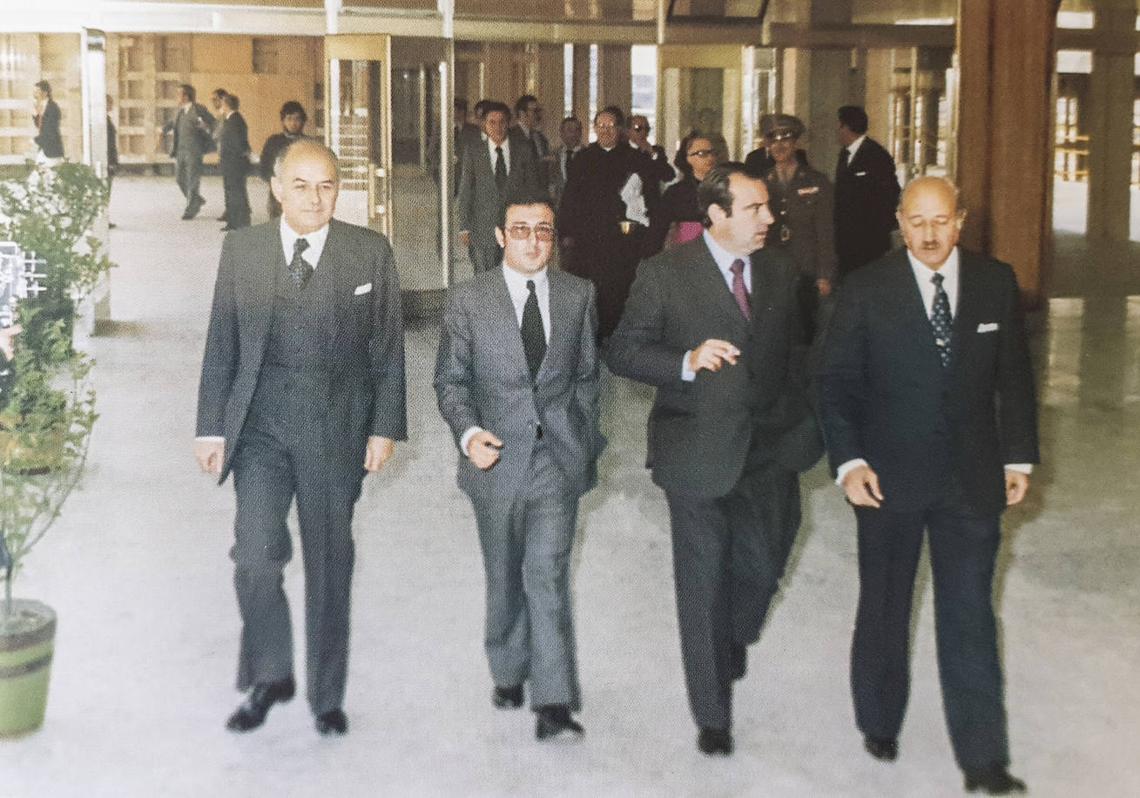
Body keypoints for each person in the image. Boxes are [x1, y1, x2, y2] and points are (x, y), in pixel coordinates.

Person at [817, 176, 1038, 795]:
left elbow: (1015, 379)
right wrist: (850, 461)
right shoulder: (867, 289)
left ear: (961, 220)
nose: (929, 233)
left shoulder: (995, 282)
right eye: (917, 221)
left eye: (941, 220)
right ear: (899, 221)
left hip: (972, 479)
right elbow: (834, 384)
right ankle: (880, 721)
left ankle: (983, 760)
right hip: (886, 479)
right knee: (885, 605)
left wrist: (1018, 457)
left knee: (969, 613)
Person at [194, 139, 407, 737]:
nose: (316, 198)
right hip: (259, 428)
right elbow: (223, 341)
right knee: (256, 558)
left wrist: (384, 427)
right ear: (278, 188)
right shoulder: (243, 249)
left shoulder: (368, 252)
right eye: (304, 185)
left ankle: (326, 695)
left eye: (329, 186)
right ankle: (270, 673)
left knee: (330, 561)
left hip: (335, 429)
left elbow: (387, 349)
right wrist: (211, 425)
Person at [606, 163, 820, 757]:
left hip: (771, 448)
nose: (770, 219)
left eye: (768, 207)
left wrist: (807, 425)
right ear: (717, 216)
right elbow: (622, 351)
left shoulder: (780, 271)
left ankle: (732, 638)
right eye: (755, 209)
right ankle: (712, 714)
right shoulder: (665, 274)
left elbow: (799, 352)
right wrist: (685, 359)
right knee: (702, 583)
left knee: (764, 566)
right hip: (696, 449)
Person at [434, 193, 603, 743]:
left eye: (545, 231)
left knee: (547, 576)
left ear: (555, 239)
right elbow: (450, 382)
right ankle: (507, 668)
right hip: (495, 459)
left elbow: (584, 376)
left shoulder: (579, 295)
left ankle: (553, 702)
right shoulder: (468, 300)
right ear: (501, 237)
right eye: (522, 230)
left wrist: (581, 437)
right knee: (504, 574)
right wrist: (468, 434)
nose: (534, 241)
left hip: (555, 457)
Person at [557, 107, 650, 341]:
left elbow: (644, 198)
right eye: (601, 126)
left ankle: (615, 334)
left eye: (610, 126)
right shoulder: (583, 158)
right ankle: (592, 335)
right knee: (590, 287)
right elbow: (570, 197)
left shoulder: (634, 158)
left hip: (621, 236)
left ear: (619, 129)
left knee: (619, 286)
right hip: (588, 237)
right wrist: (566, 231)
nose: (605, 131)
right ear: (594, 128)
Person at [758, 114, 836, 342]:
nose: (779, 146)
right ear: (766, 145)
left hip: (806, 270)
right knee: (773, 335)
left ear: (796, 144)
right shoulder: (762, 182)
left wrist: (824, 275)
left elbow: (826, 231)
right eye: (773, 141)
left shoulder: (816, 181)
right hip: (771, 269)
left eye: (786, 140)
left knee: (804, 336)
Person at [457, 101, 542, 274]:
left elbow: (532, 188)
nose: (497, 127)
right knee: (484, 277)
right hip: (482, 228)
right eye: (492, 122)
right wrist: (464, 226)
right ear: (484, 125)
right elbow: (466, 189)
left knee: (514, 276)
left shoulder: (523, 150)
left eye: (502, 122)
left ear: (509, 123)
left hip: (515, 228)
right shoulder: (474, 151)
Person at [834, 105, 901, 279]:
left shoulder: (876, 155)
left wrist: (877, 234)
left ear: (846, 126)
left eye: (838, 125)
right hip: (847, 241)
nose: (836, 130)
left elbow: (889, 197)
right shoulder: (844, 154)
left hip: (869, 242)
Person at [646, 131, 720, 253]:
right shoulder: (675, 193)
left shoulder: (723, 188)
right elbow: (657, 233)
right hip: (686, 256)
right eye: (702, 154)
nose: (710, 158)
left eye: (712, 153)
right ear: (688, 158)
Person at [164, 84, 214, 220]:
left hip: (194, 150)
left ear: (186, 96)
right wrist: (163, 130)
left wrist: (206, 127)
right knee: (179, 179)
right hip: (180, 150)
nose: (176, 97)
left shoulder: (198, 109)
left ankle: (191, 209)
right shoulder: (179, 111)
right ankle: (196, 200)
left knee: (193, 179)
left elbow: (213, 123)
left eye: (179, 94)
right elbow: (172, 123)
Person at [258, 101, 308, 220]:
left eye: (297, 119)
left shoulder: (309, 143)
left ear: (302, 121)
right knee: (277, 224)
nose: (293, 123)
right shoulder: (273, 142)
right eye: (289, 119)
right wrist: (274, 183)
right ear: (283, 121)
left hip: (302, 192)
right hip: (278, 192)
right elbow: (264, 167)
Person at [218, 94, 251, 231]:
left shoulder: (234, 120)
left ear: (226, 105)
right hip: (232, 162)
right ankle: (236, 220)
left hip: (234, 163)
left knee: (235, 192)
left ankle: (237, 222)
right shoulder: (232, 119)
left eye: (222, 104)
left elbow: (237, 143)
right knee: (234, 191)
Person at [512, 95, 550, 186]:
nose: (538, 115)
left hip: (540, 192)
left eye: (539, 111)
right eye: (535, 111)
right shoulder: (511, 136)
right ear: (522, 113)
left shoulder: (541, 138)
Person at [549, 116, 583, 205]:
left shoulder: (589, 156)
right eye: (570, 130)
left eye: (577, 130)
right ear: (561, 133)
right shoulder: (553, 156)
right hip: (558, 208)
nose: (573, 134)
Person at [32, 81, 63, 162]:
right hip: (44, 149)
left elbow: (50, 129)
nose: (34, 95)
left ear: (45, 93)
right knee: (39, 172)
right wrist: (36, 114)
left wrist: (36, 140)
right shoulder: (42, 107)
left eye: (37, 92)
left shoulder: (52, 107)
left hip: (52, 150)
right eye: (34, 92)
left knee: (48, 173)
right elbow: (40, 126)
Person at [106, 95, 119, 229]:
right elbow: (109, 144)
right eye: (110, 103)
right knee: (105, 191)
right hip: (107, 161)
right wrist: (111, 161)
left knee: (106, 192)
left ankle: (104, 218)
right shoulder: (105, 122)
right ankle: (104, 219)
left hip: (109, 160)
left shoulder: (107, 120)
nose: (112, 106)